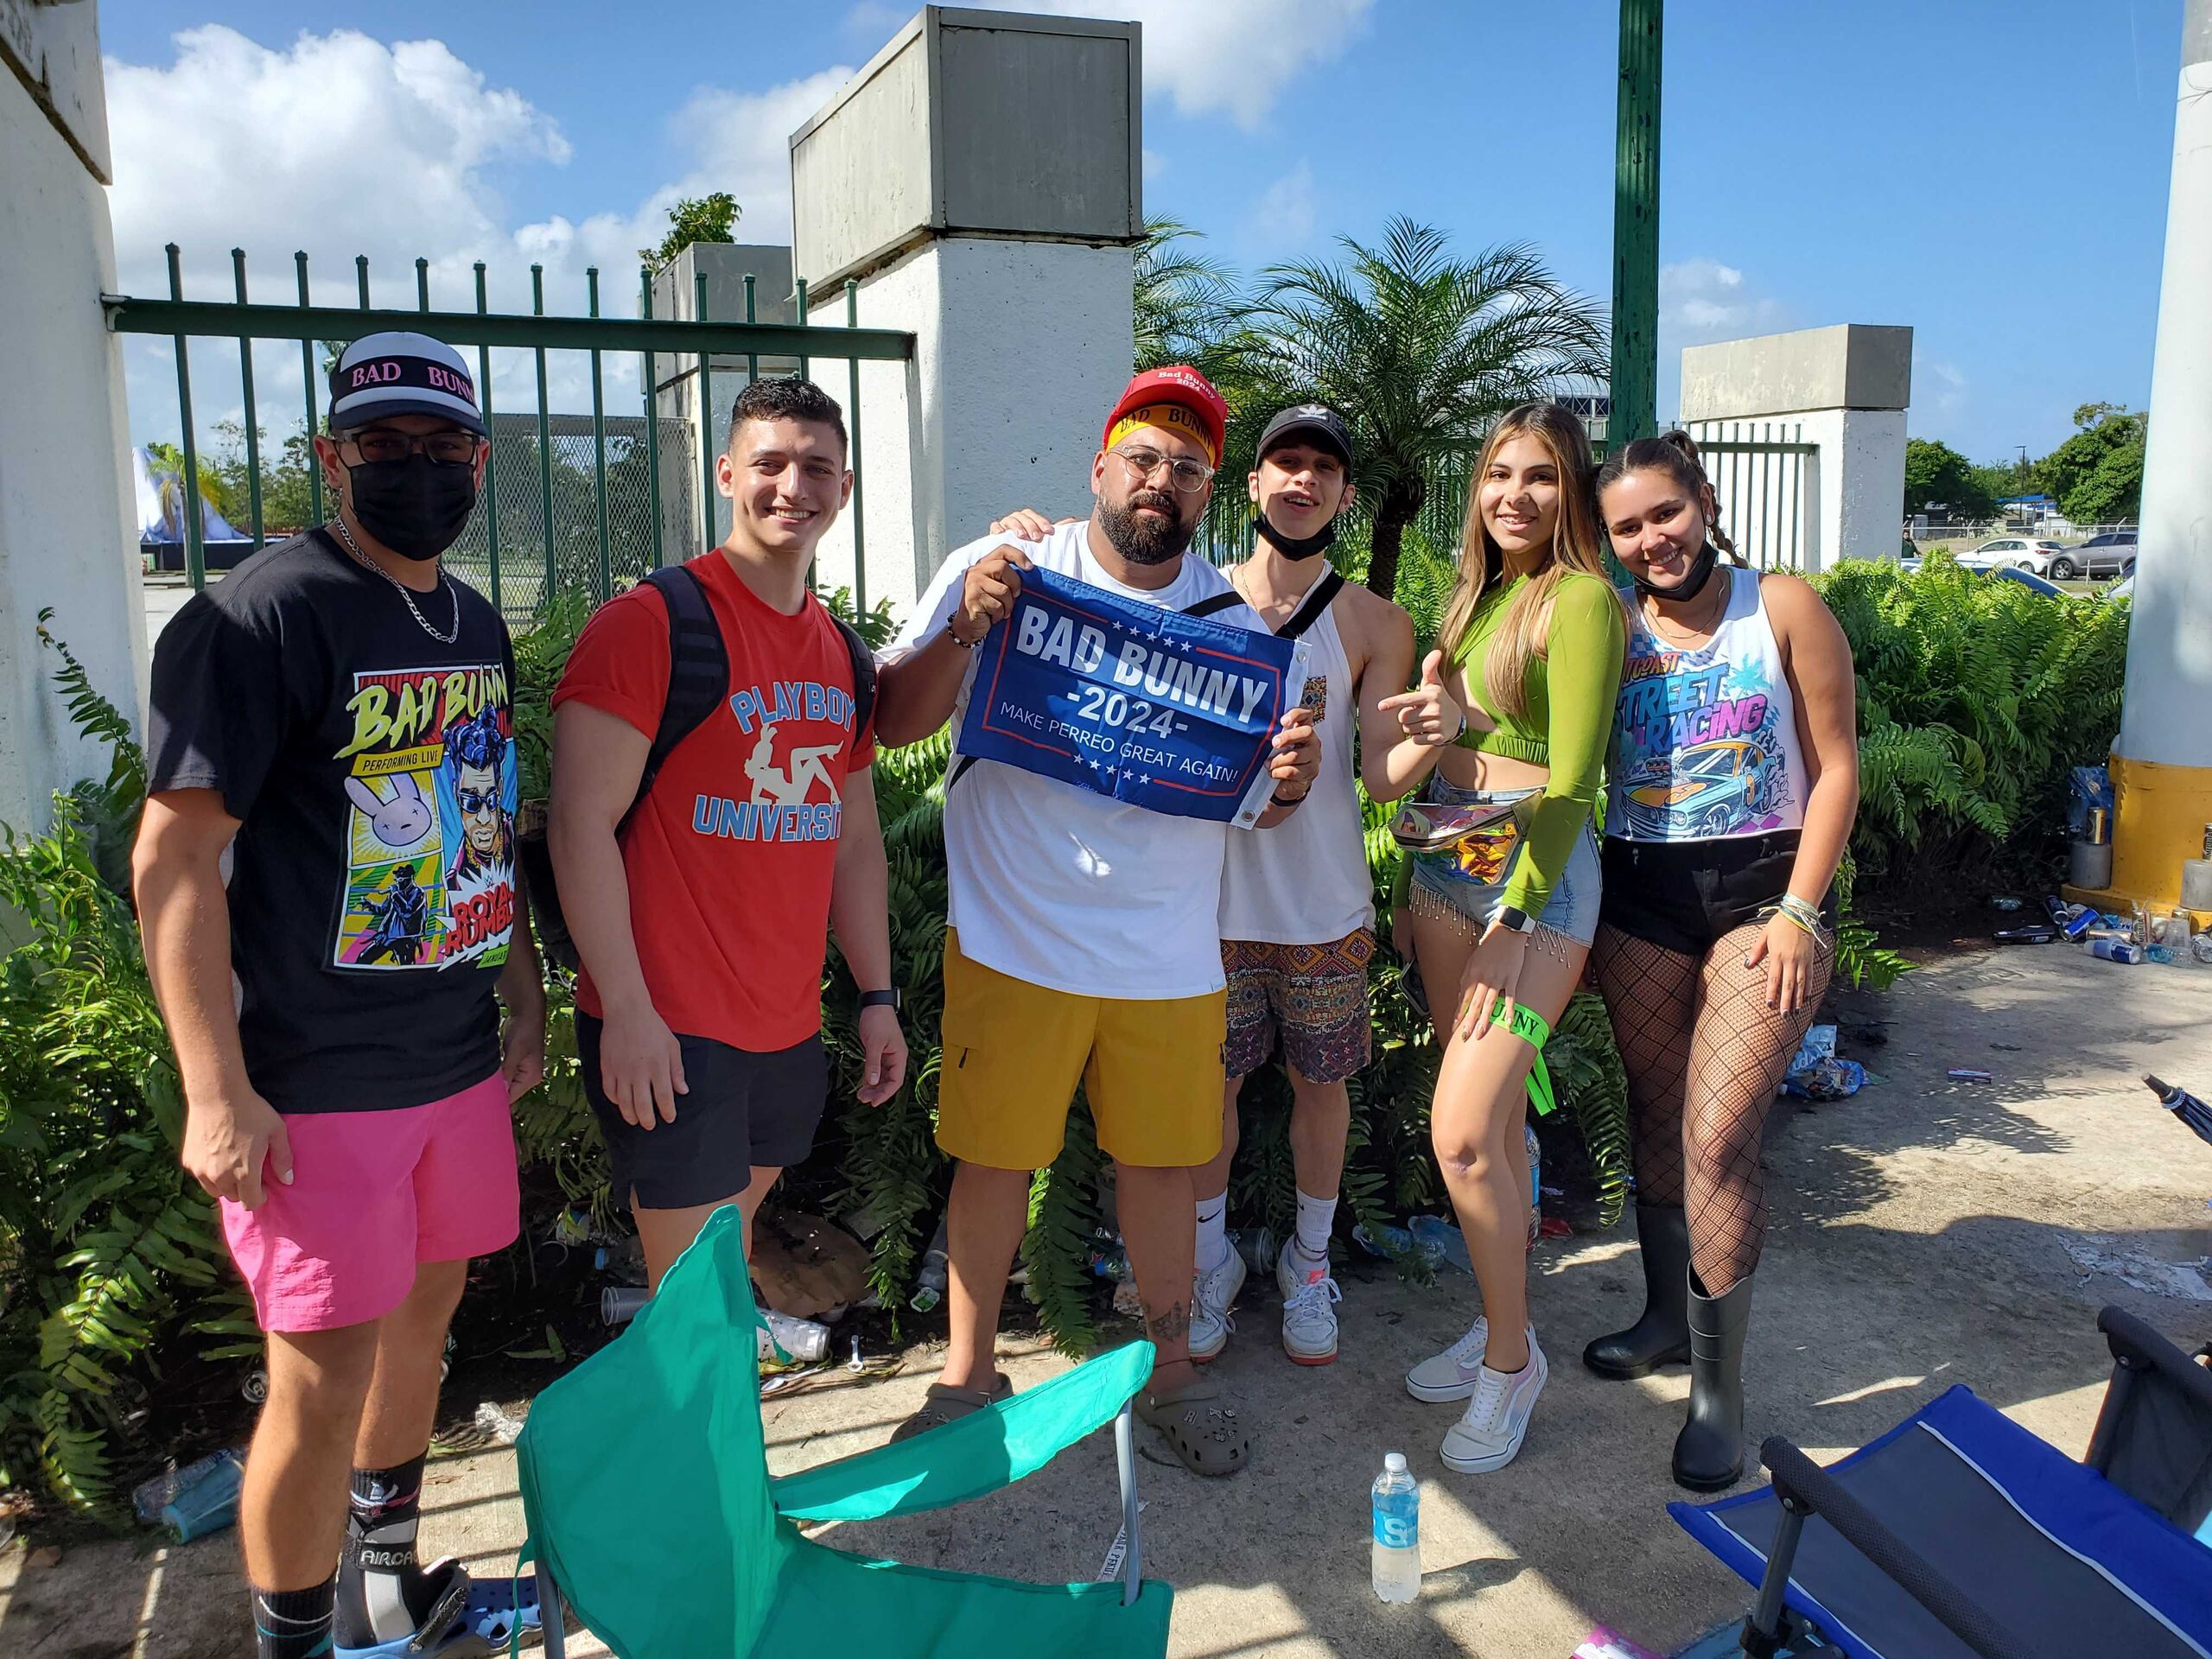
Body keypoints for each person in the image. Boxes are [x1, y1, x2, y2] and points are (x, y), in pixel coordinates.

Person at [135, 332, 545, 1659]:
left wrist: (527, 992)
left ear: (481, 461)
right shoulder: (259, 615)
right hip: (316, 1083)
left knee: (420, 1339)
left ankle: (382, 1590)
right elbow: (176, 858)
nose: (416, 471)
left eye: (442, 449)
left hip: (454, 1060)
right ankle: (296, 1642)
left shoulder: (470, 619)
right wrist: (216, 1091)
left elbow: (488, 823)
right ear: (332, 458)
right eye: (384, 448)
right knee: (317, 1386)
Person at [872, 365, 1320, 1475]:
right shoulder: (1007, 569)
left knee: (1164, 1170)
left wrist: (1294, 783)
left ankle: (1168, 1384)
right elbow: (892, 721)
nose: (1160, 480)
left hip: (1166, 955)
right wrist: (965, 631)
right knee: (990, 1162)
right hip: (1011, 935)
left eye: (1185, 466)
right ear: (1100, 468)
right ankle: (965, 1381)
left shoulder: (1233, 625)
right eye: (1143, 457)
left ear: (1208, 488)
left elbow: (1260, 809)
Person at [548, 376, 906, 1287]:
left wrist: (875, 995)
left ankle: (694, 1425)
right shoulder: (652, 625)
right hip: (669, 1027)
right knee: (694, 1296)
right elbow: (579, 825)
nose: (794, 486)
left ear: (845, 488)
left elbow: (853, 841)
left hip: (785, 1029)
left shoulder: (842, 655)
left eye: (817, 467)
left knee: (721, 1265)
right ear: (724, 474)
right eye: (770, 463)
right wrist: (626, 1008)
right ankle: (696, 1431)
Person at [1582, 432, 1859, 1491]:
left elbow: (1836, 766)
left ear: (1702, 500)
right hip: (1641, 891)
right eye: (1627, 528)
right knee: (1656, 1115)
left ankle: (1716, 1389)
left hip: (1762, 896)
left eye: (1665, 514)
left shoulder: (1779, 605)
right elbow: (1543, 733)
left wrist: (1799, 910)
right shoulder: (1607, 624)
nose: (1652, 540)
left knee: (1717, 1136)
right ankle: (1660, 1316)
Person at [1378, 401, 1626, 1475]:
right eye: (1497, 476)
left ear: (1569, 489)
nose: (1514, 496)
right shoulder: (1476, 601)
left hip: (1536, 882)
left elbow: (1570, 780)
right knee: (1501, 1135)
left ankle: (1513, 1363)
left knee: (1467, 1134)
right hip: (1448, 864)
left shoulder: (1580, 600)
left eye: (1538, 477)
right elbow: (1460, 743)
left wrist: (1514, 919)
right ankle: (1498, 1309)